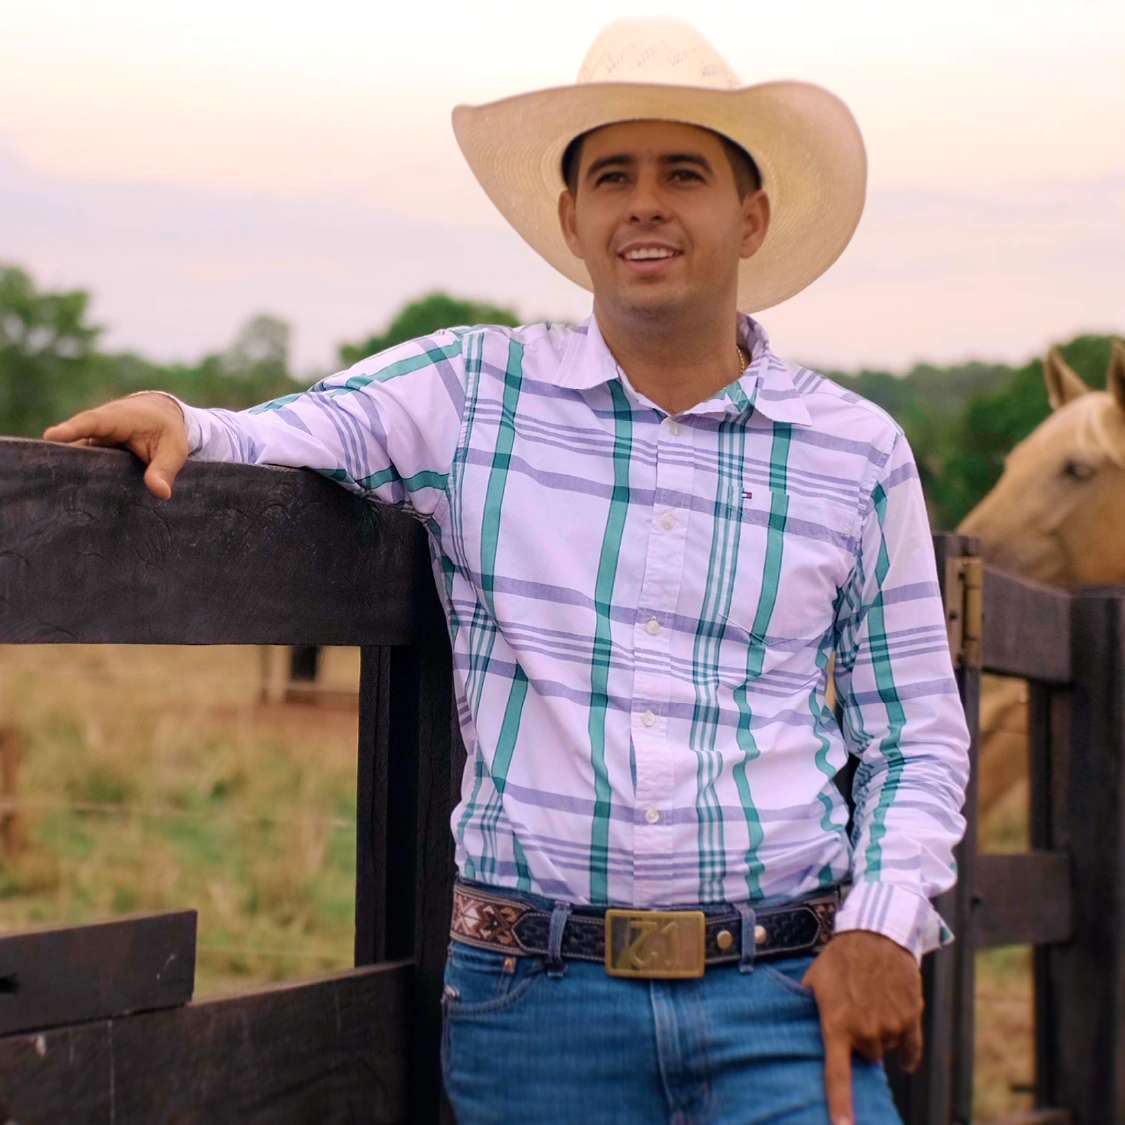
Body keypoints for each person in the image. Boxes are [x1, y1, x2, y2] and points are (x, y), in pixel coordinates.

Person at [45, 18, 970, 1125]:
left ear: (750, 216)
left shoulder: (855, 452)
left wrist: (883, 925)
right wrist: (177, 416)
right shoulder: (471, 392)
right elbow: (289, 427)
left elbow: (915, 733)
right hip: (538, 1006)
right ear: (573, 218)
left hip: (785, 990)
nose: (645, 204)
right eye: (613, 176)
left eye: (685, 173)